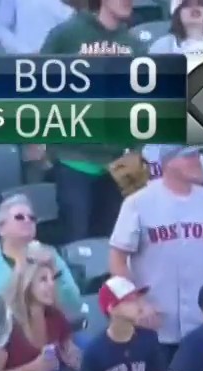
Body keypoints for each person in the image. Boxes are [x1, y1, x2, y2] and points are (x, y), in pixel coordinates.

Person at [110, 145, 203, 355]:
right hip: (153, 325)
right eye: (189, 156)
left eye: (197, 154)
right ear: (169, 162)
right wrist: (136, 303)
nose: (197, 160)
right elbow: (117, 258)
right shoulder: (138, 203)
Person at [37, 0, 141, 243]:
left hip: (119, 160)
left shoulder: (134, 44)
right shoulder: (68, 33)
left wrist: (136, 149)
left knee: (115, 240)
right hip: (74, 156)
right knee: (77, 237)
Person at [0, 196, 86, 315]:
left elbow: (73, 303)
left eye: (32, 218)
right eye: (19, 217)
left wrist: (53, 267)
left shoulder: (49, 254)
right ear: (1, 229)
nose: (27, 221)